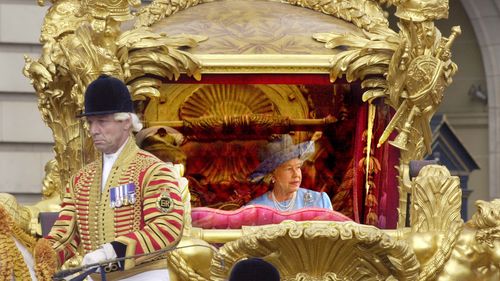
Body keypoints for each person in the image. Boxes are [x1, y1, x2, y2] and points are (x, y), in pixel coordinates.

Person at [35, 75, 184, 281]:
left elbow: (166, 227)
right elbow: (65, 237)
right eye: (90, 122)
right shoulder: (80, 180)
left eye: (102, 121)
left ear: (126, 122)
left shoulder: (153, 171)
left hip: (145, 275)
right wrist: (37, 255)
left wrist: (113, 251)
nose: (94, 130)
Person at [246, 134, 333, 211]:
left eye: (298, 167)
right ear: (272, 175)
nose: (296, 175)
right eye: (289, 169)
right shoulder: (255, 209)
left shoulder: (319, 202)